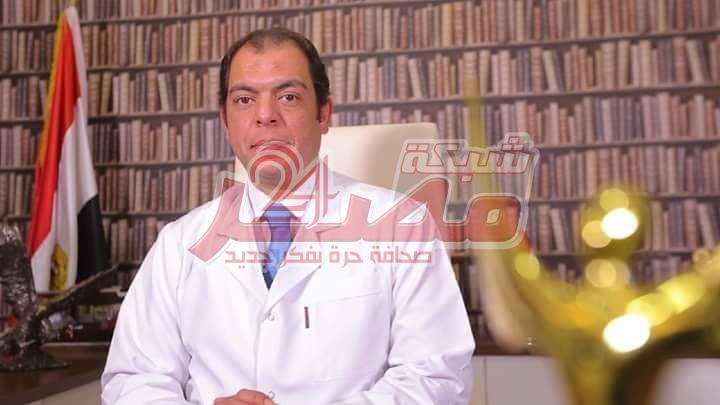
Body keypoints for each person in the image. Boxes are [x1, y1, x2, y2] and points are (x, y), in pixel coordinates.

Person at [101, 28, 475, 405]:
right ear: (225, 121)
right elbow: (134, 380)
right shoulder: (179, 244)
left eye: (288, 97)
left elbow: (436, 379)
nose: (265, 116)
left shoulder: (403, 226)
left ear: (324, 113)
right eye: (245, 99)